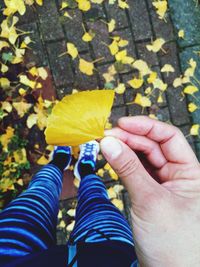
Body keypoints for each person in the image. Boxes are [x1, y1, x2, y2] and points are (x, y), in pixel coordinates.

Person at [0, 116, 200, 266]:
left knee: (37, 195)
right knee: (97, 202)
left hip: (10, 256)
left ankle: (59, 162)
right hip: (112, 256)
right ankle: (86, 169)